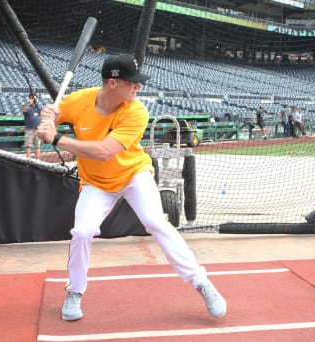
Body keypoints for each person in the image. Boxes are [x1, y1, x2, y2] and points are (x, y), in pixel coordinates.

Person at [37, 54, 227, 322]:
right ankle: (75, 292)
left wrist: (56, 138)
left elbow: (104, 152)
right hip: (97, 183)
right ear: (112, 83)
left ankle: (201, 282)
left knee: (155, 222)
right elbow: (54, 114)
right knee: (82, 231)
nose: (138, 87)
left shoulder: (136, 111)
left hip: (133, 175)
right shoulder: (80, 100)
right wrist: (47, 116)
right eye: (132, 82)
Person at [22, 93, 43, 158]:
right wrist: (29, 103)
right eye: (31, 98)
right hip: (29, 129)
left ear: (36, 98)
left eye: (34, 97)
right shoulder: (27, 106)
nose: (33, 99)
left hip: (38, 129)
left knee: (37, 146)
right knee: (28, 146)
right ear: (29, 98)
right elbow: (24, 110)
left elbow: (42, 116)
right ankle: (28, 160)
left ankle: (38, 160)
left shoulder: (40, 106)